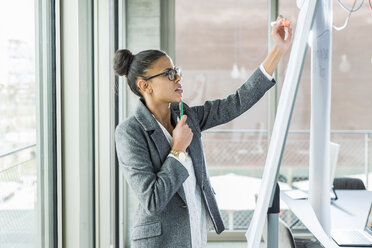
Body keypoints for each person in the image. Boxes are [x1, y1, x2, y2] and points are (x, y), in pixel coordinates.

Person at [114, 15, 293, 248]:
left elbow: (235, 103)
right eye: (169, 74)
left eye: (176, 70)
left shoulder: (186, 117)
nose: (178, 77)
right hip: (161, 242)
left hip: (195, 234)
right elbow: (152, 199)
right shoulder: (130, 132)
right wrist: (177, 149)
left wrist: (277, 51)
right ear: (145, 86)